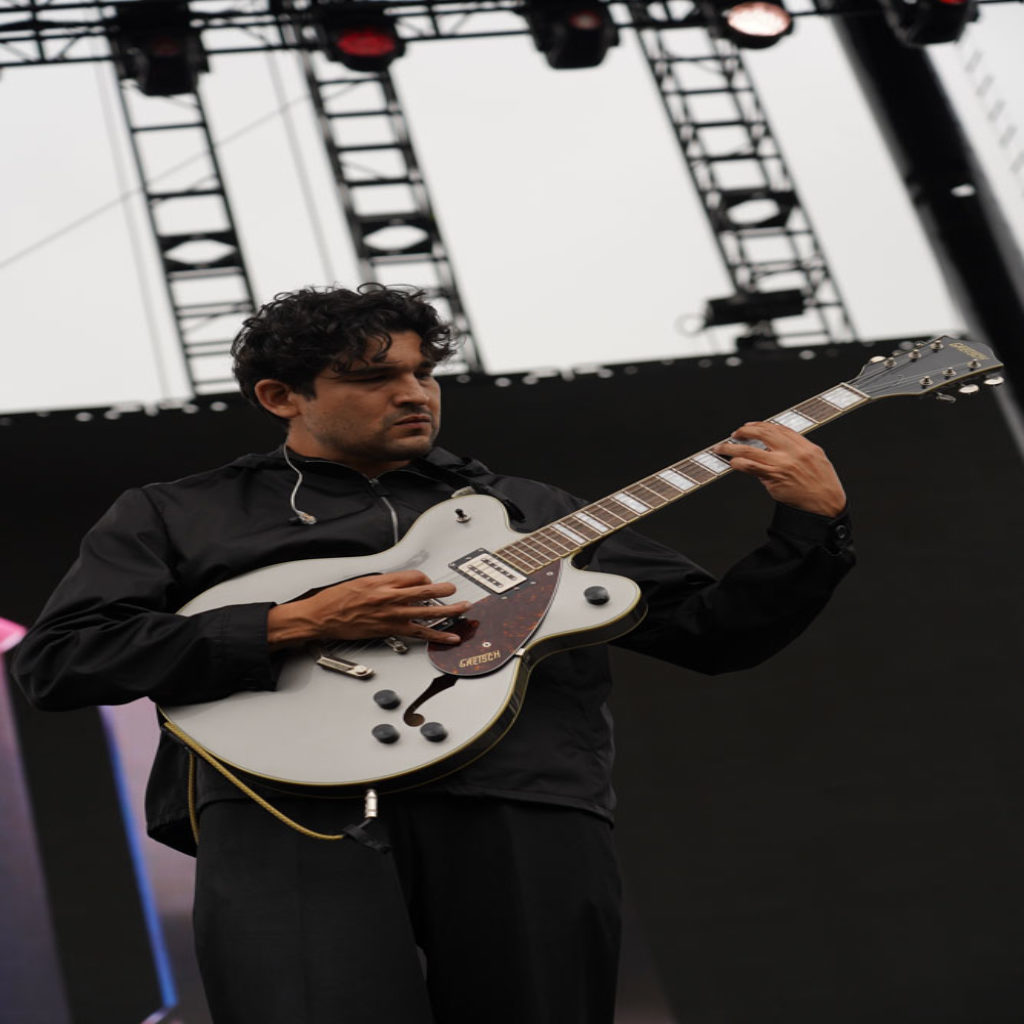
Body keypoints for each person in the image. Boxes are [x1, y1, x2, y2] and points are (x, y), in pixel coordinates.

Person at [14, 284, 855, 1024]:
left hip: (522, 805)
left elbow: (716, 636)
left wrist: (811, 527)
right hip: (283, 811)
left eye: (424, 372)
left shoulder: (534, 512)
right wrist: (294, 623)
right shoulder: (178, 512)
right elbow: (62, 660)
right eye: (373, 377)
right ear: (281, 396)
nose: (414, 393)